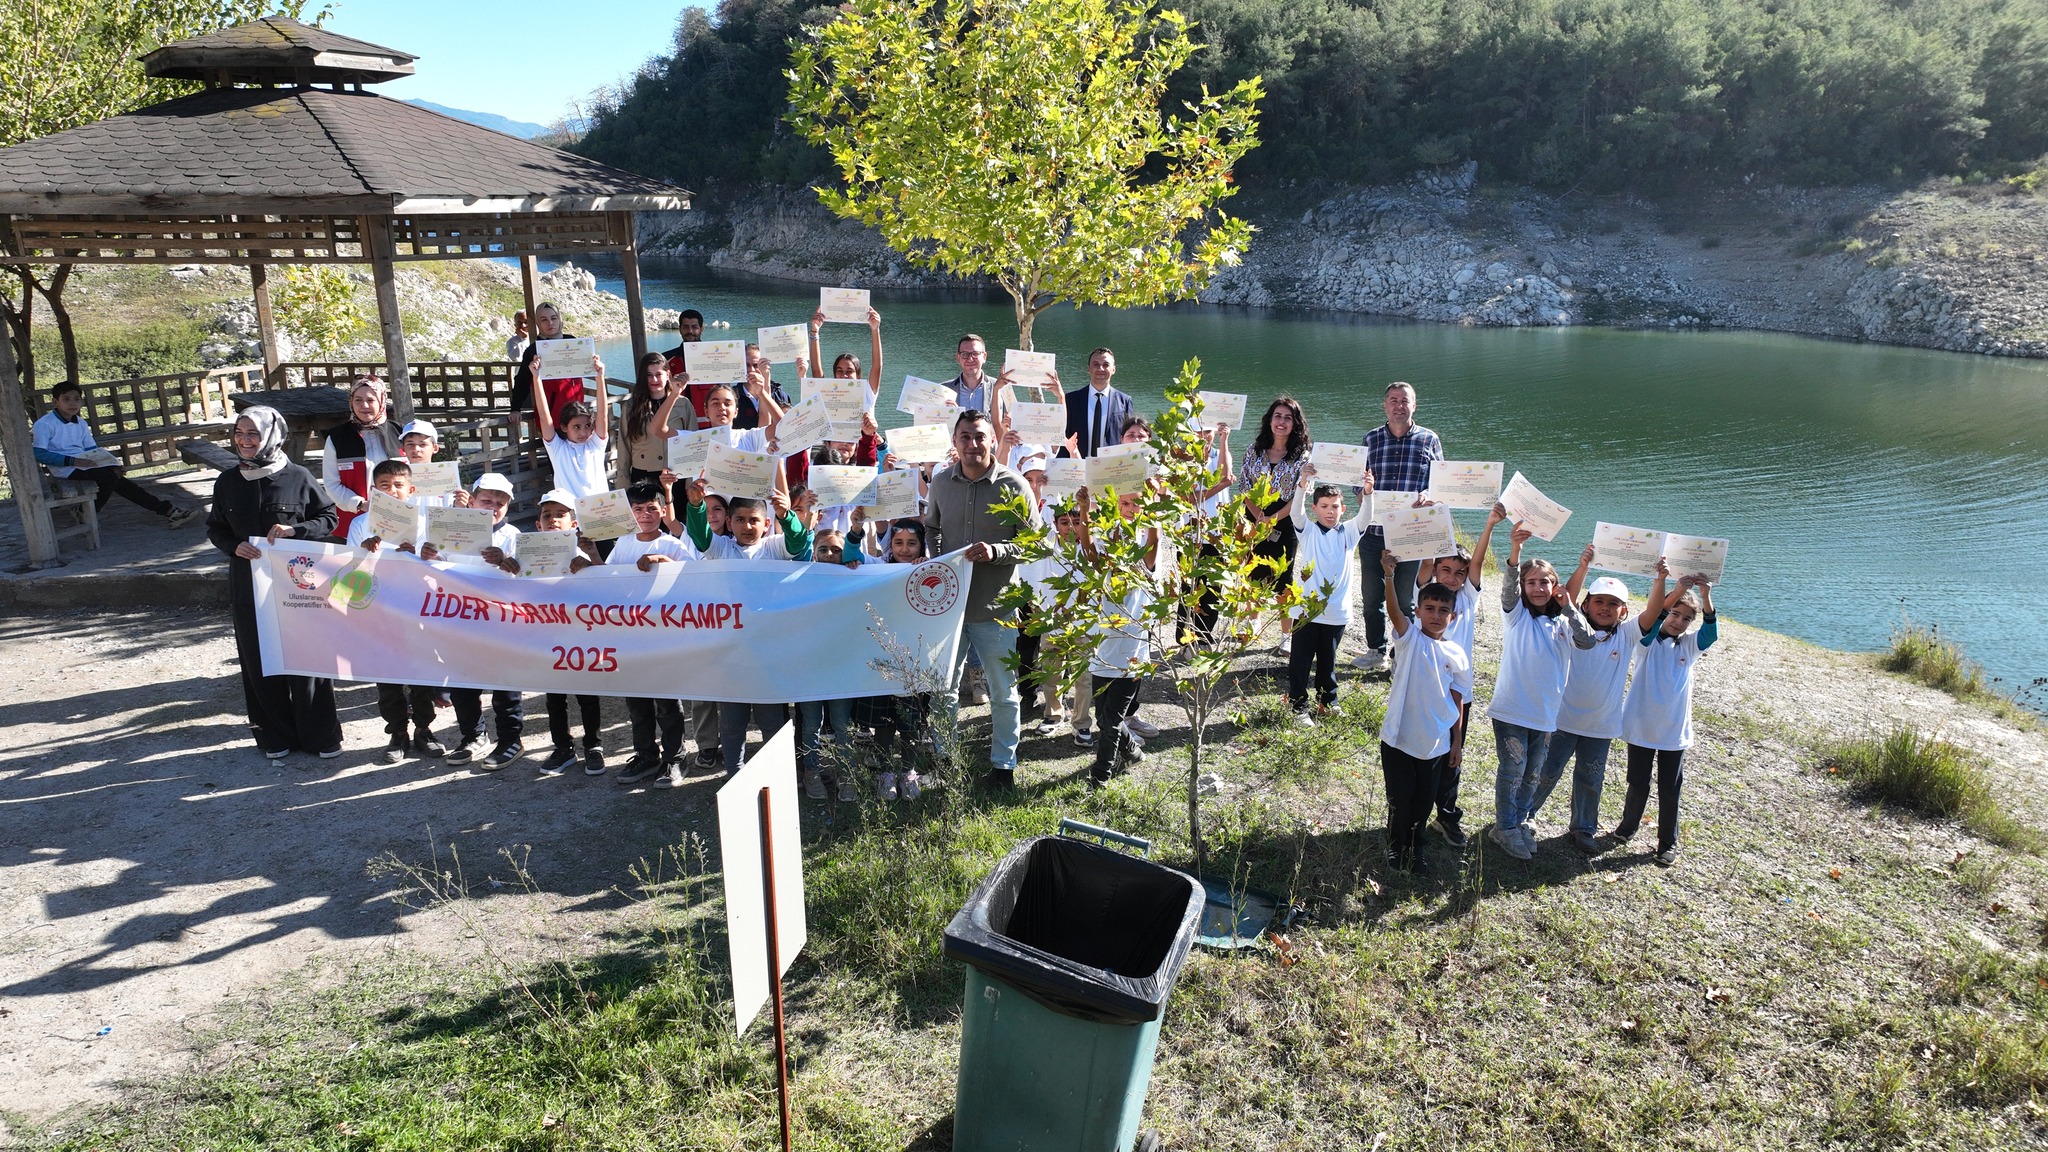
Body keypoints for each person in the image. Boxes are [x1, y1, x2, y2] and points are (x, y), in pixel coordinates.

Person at [206, 407, 342, 762]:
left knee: (307, 655)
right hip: (249, 585)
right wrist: (233, 546)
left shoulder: (297, 477)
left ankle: (320, 735)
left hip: (297, 584)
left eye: (253, 433)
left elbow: (328, 517)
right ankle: (274, 734)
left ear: (270, 435)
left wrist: (295, 531)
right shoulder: (228, 481)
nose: (245, 440)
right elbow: (215, 528)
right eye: (239, 432)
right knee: (259, 657)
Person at [924, 410, 1038, 788]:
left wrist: (997, 552)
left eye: (979, 437)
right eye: (965, 437)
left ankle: (1003, 767)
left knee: (1004, 693)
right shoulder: (941, 483)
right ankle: (945, 759)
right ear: (955, 442)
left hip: (997, 608)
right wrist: (940, 564)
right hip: (950, 611)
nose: (972, 445)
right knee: (943, 691)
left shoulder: (1014, 484)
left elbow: (1035, 544)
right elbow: (932, 528)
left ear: (992, 439)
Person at [1478, 505, 1595, 860]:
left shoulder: (1563, 622)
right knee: (1512, 769)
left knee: (1533, 774)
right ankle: (1505, 827)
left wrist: (1570, 603)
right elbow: (1509, 586)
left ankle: (1521, 819)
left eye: (1545, 582)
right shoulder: (1515, 617)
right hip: (1512, 710)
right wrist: (1516, 550)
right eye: (1532, 582)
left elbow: (1587, 641)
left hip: (1545, 715)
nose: (1538, 587)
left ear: (1555, 586)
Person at [1529, 552, 1645, 853]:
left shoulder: (1628, 635)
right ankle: (1522, 816)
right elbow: (1565, 597)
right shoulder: (1572, 626)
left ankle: (1583, 829)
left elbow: (1656, 611)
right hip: (1562, 720)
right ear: (1585, 604)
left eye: (1613, 604)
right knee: (1546, 773)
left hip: (1600, 727)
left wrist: (1659, 579)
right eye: (1599, 601)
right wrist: (1583, 566)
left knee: (1590, 779)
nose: (1605, 608)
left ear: (1623, 611)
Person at [1377, 551, 1472, 874]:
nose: (1435, 615)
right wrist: (1390, 577)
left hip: (1435, 745)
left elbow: (1457, 697)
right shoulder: (1409, 639)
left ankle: (1416, 850)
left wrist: (1456, 741)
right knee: (1400, 800)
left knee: (1422, 803)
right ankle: (1395, 846)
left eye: (1443, 610)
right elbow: (1393, 612)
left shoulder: (1456, 653)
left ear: (1453, 617)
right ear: (1417, 612)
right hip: (1398, 738)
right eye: (1429, 609)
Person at [346, 460, 446, 763]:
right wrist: (364, 552)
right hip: (378, 611)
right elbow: (349, 575)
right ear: (374, 491)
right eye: (385, 486)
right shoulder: (360, 524)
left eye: (398, 485)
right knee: (387, 679)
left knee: (421, 674)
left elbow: (445, 566)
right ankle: (397, 733)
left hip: (417, 609)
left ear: (411, 490)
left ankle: (424, 730)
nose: (392, 491)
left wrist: (425, 557)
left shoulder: (427, 521)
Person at [1615, 570, 1716, 867]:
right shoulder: (1644, 643)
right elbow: (1654, 617)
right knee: (1638, 781)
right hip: (1641, 726)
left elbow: (1710, 633)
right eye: (1675, 613)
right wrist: (1676, 589)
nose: (1678, 621)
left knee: (1670, 788)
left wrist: (1705, 594)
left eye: (1686, 619)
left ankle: (1667, 842)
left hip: (1673, 732)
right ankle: (1628, 826)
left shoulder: (1689, 646)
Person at [1351, 382, 1445, 672]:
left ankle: (1400, 653)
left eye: (1405, 401)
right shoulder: (1371, 439)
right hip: (1373, 533)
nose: (1399, 406)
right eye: (1393, 400)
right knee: (1371, 596)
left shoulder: (1429, 440)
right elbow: (1357, 482)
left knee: (1405, 599)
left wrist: (1429, 496)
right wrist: (1363, 493)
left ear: (1414, 405)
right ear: (1385, 405)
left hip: (1411, 534)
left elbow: (1440, 483)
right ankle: (1375, 650)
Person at [610, 480, 694, 785]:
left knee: (667, 701)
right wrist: (589, 557)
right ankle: (646, 755)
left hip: (664, 635)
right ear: (629, 513)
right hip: (630, 635)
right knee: (637, 701)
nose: (645, 514)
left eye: (651, 508)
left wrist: (665, 562)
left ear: (662, 510)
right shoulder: (622, 544)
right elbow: (605, 580)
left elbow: (694, 580)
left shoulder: (674, 544)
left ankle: (676, 758)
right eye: (638, 509)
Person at [1074, 485, 1159, 784]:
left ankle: (1101, 775)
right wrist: (1084, 510)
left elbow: (1153, 539)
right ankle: (1133, 751)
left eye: (1136, 504)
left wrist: (1150, 508)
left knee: (1111, 721)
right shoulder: (1105, 549)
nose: (1130, 508)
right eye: (1125, 503)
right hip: (1103, 648)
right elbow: (1087, 549)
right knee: (1102, 717)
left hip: (1132, 650)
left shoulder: (1144, 553)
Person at [31, 380, 198, 527]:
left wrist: (112, 464)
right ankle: (86, 512)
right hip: (65, 468)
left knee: (115, 476)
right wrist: (72, 461)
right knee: (110, 479)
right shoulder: (45, 424)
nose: (72, 403)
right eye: (66, 399)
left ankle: (168, 511)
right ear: (55, 402)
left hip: (85, 463)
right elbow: (39, 453)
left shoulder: (79, 422)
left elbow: (91, 449)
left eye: (76, 399)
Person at [447, 474, 528, 771]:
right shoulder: (453, 531)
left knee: (504, 684)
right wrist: (427, 555)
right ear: (472, 500)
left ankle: (510, 740)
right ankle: (473, 735)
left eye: (500, 502)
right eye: (486, 500)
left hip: (501, 624)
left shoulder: (515, 536)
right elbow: (434, 564)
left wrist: (510, 562)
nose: (493, 506)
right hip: (459, 620)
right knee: (461, 683)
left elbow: (530, 578)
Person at [1285, 467, 1375, 725]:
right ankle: (1297, 707)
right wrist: (1303, 484)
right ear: (1315, 508)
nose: (1329, 511)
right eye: (1324, 506)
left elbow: (1366, 518)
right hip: (1306, 611)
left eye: (1335, 506)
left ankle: (1327, 702)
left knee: (1328, 661)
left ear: (1343, 510)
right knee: (1300, 662)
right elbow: (1295, 512)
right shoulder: (1308, 531)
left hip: (1337, 613)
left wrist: (1368, 494)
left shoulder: (1348, 532)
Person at [1415, 546, 1481, 847]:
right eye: (1446, 570)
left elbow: (1478, 560)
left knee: (1452, 756)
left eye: (1460, 573)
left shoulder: (1467, 598)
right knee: (1420, 753)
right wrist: (1430, 523)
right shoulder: (1426, 594)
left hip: (1458, 693)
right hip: (1426, 691)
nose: (1452, 578)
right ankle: (1413, 812)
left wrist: (1491, 523)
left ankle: (1446, 814)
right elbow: (1426, 559)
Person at [1236, 396, 1310, 654]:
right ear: (1270, 420)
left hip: (1286, 521)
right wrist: (1258, 517)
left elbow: (1300, 495)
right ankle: (1252, 623)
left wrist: (1272, 519)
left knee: (1283, 577)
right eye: (1277, 416)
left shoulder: (1303, 457)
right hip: (1252, 517)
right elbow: (1244, 486)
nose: (1282, 422)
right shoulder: (1253, 450)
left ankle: (1285, 635)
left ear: (1295, 424)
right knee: (1252, 571)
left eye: (1288, 418)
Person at [320, 375, 403, 541]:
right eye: (358, 400)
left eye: (370, 400)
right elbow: (331, 483)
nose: (364, 406)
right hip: (352, 523)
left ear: (382, 401)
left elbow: (413, 474)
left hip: (397, 521)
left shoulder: (400, 433)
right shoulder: (337, 438)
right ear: (351, 402)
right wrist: (360, 504)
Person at [535, 349, 609, 499]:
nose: (583, 432)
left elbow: (602, 413)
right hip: (570, 514)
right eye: (576, 427)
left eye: (587, 426)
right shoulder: (557, 449)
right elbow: (544, 416)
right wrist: (536, 378)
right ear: (563, 427)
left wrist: (600, 377)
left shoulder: (596, 445)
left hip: (599, 511)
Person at [510, 302, 592, 432]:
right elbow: (522, 381)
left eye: (554, 318)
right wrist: (515, 409)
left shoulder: (573, 342)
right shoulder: (534, 350)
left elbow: (585, 368)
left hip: (578, 416)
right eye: (544, 320)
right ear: (538, 323)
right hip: (552, 419)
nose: (550, 323)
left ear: (559, 319)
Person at [622, 352, 696, 488]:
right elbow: (624, 448)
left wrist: (690, 482)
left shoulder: (683, 404)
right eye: (649, 375)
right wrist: (624, 485)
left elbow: (693, 444)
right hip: (643, 476)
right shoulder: (631, 406)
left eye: (658, 374)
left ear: (668, 374)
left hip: (675, 476)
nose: (654, 380)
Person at [1062, 346, 1134, 459]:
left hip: (1111, 465)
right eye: (1096, 364)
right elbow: (1063, 433)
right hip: (1078, 463)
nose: (1100, 368)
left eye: (1106, 365)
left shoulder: (1124, 401)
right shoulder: (1071, 399)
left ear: (1114, 369)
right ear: (1088, 369)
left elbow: (1129, 436)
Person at [807, 305, 884, 400]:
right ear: (834, 374)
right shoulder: (827, 393)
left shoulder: (867, 393)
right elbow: (815, 369)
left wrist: (875, 329)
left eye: (849, 371)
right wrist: (814, 331)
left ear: (858, 375)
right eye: (839, 371)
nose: (844, 375)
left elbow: (877, 366)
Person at [942, 333, 998, 413]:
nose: (970, 359)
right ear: (958, 358)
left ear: (984, 357)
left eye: (975, 354)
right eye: (965, 354)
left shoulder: (999, 388)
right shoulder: (943, 390)